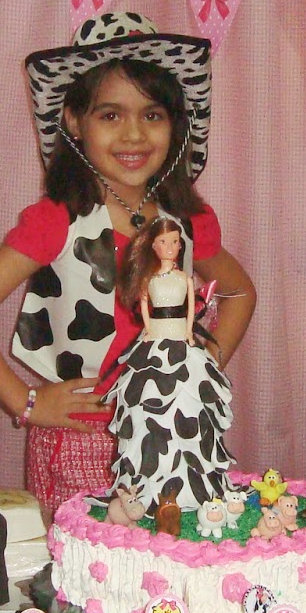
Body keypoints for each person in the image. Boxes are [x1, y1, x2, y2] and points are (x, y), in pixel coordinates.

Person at [0, 12, 255, 518]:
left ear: (176, 125)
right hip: (83, 434)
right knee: (90, 556)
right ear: (73, 122)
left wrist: (206, 365)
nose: (134, 135)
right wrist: (27, 402)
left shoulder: (189, 220)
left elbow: (239, 293)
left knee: (169, 547)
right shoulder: (56, 220)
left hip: (173, 429)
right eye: (110, 115)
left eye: (153, 115)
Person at [108, 215, 234, 512]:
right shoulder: (149, 280)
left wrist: (190, 332)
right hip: (155, 340)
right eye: (164, 242)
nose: (170, 247)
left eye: (175, 242)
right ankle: (146, 490)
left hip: (182, 340)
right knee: (149, 398)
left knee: (190, 402)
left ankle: (194, 488)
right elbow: (144, 305)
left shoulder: (185, 279)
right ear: (153, 246)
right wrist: (148, 330)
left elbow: (190, 308)